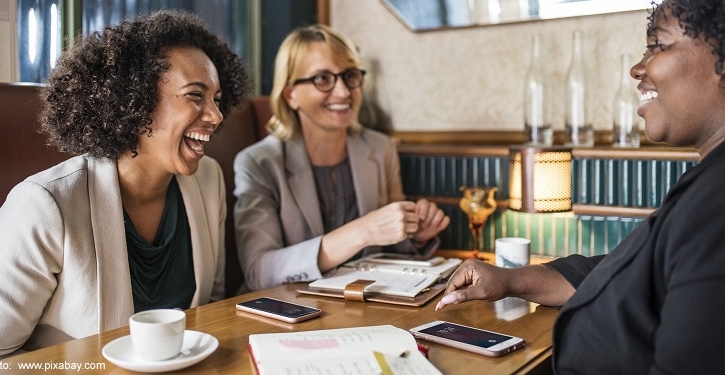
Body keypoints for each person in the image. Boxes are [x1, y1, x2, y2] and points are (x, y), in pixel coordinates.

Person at [436, 0, 725, 373]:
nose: (638, 68)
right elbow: (624, 275)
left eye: (658, 45)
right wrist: (509, 279)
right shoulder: (707, 182)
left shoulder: (717, 206)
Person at [0, 10, 249, 360]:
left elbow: (209, 308)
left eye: (217, 99)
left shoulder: (208, 181)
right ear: (133, 101)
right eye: (196, 95)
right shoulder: (43, 207)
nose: (215, 115)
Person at [233, 24, 450, 292]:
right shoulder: (258, 163)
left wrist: (415, 235)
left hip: (368, 303)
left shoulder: (380, 149)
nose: (344, 92)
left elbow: (391, 249)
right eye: (322, 78)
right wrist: (363, 231)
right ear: (291, 95)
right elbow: (259, 272)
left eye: (349, 75)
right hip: (292, 311)